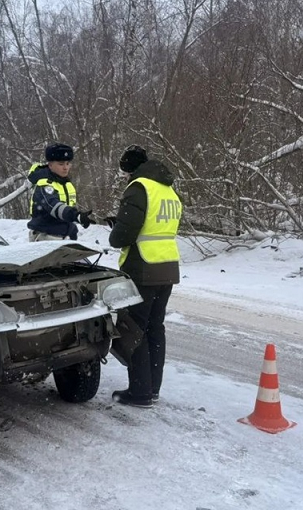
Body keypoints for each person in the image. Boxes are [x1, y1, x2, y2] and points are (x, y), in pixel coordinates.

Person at [108, 145, 182, 408]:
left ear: (130, 169)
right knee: (155, 328)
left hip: (142, 267)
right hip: (167, 266)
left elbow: (122, 237)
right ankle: (153, 389)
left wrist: (115, 230)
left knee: (134, 329)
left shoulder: (139, 187)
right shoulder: (168, 189)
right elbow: (154, 226)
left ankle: (139, 392)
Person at [27, 142, 94, 241]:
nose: (65, 167)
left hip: (63, 236)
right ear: (50, 165)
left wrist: (71, 229)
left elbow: (67, 209)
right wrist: (75, 215)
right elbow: (54, 206)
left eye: (68, 163)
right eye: (61, 164)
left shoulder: (67, 184)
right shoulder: (45, 184)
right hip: (45, 236)